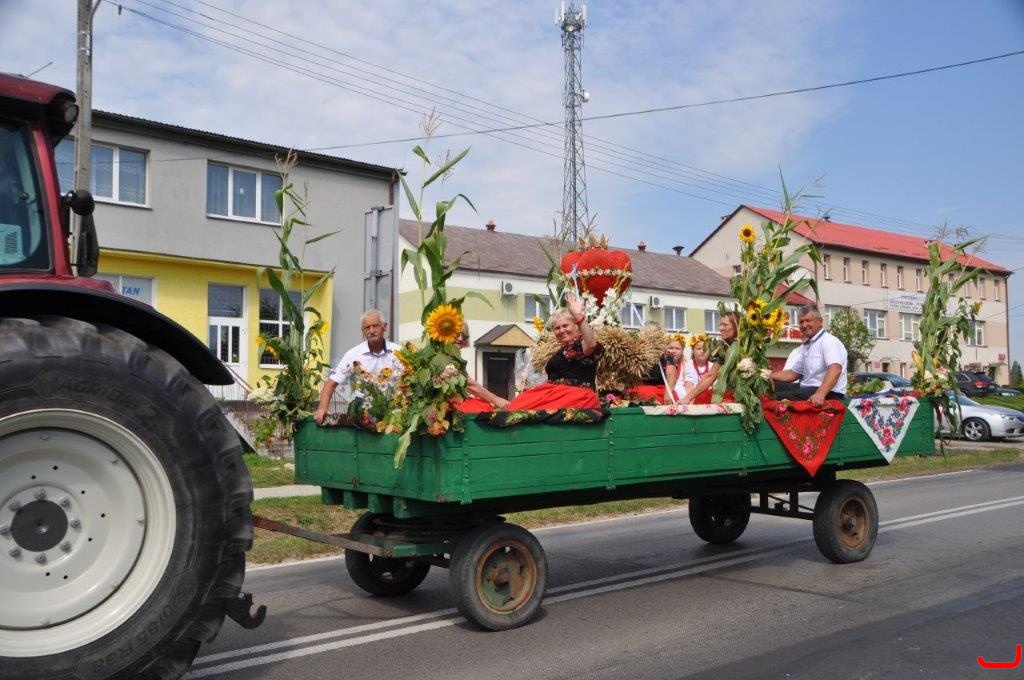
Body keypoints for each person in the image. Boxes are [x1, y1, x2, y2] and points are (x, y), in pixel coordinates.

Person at [505, 296, 601, 410]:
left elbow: (591, 345)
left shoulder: (580, 343)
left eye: (565, 326)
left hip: (576, 396)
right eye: (557, 328)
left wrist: (580, 318)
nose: (561, 330)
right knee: (517, 405)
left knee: (519, 409)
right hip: (556, 395)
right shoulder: (564, 348)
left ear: (576, 325)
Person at [314, 309, 402, 424]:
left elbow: (411, 378)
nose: (371, 331)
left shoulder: (398, 352)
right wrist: (322, 409)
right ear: (363, 331)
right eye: (367, 327)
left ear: (384, 327)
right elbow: (331, 383)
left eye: (375, 326)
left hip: (392, 414)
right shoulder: (353, 355)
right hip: (362, 416)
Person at [770, 304, 848, 406]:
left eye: (808, 320)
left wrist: (820, 394)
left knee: (775, 396)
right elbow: (793, 373)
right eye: (801, 322)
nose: (804, 325)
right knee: (769, 387)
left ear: (820, 321)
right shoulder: (810, 345)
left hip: (829, 392)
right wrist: (768, 376)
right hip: (806, 388)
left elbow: (835, 369)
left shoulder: (828, 341)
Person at [677, 311, 741, 406]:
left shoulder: (748, 345)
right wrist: (688, 398)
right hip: (729, 392)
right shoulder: (724, 348)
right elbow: (710, 376)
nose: (720, 328)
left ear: (736, 325)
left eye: (725, 325)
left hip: (743, 394)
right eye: (720, 325)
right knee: (702, 398)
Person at [454, 323, 510, 412]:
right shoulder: (445, 358)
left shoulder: (455, 357)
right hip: (446, 406)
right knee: (483, 409)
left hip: (455, 401)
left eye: (464, 336)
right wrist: (495, 399)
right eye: (456, 334)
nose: (460, 338)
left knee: (484, 406)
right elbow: (469, 384)